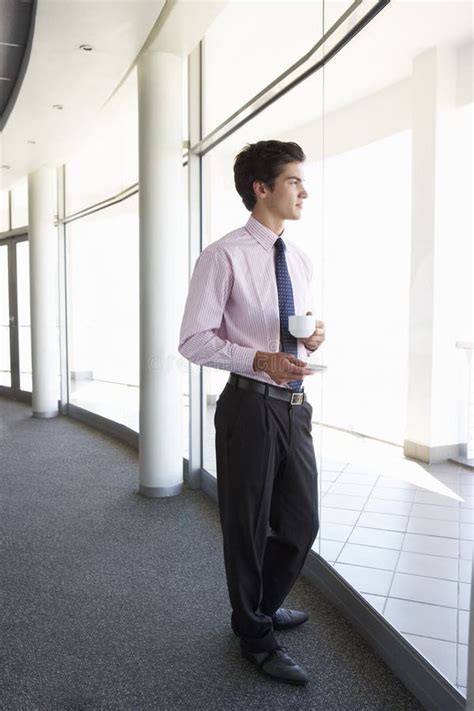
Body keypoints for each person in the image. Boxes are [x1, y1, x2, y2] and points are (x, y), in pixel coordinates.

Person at [178, 140, 326, 686]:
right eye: (293, 181)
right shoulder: (223, 255)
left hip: (294, 408)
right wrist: (260, 358)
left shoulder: (300, 259)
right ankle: (255, 635)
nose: (304, 190)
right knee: (246, 526)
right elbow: (194, 341)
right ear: (261, 189)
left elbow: (295, 335)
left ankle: (258, 606)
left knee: (301, 521)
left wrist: (313, 341)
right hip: (248, 407)